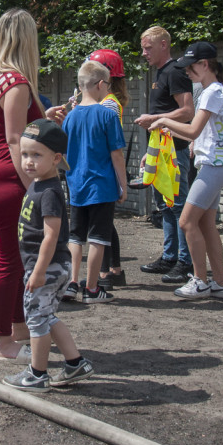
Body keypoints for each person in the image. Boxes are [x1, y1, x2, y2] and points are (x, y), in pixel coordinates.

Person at [2, 119, 95, 392]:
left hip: (48, 268)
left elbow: (51, 235)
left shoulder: (50, 191)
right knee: (49, 317)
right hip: (50, 267)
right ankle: (76, 363)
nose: (28, 162)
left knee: (37, 321)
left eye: (36, 155)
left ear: (56, 159)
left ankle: (37, 374)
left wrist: (39, 271)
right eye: (25, 154)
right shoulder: (39, 183)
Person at [0, 8, 45, 360]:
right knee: (11, 262)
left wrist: (46, 117)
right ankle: (0, 342)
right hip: (9, 178)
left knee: (17, 259)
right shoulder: (17, 82)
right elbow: (16, 138)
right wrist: (34, 186)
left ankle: (16, 329)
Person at [147, 42, 223, 300]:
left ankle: (200, 280)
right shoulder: (214, 90)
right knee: (207, 225)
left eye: (191, 67)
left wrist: (162, 120)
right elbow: (196, 131)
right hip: (215, 166)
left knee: (186, 221)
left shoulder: (211, 92)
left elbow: (193, 130)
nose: (187, 72)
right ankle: (219, 283)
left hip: (213, 168)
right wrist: (167, 129)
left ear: (204, 65)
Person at [61, 60, 127, 304]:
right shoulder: (107, 114)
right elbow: (116, 154)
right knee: (99, 237)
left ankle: (71, 283)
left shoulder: (69, 117)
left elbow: (65, 153)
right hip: (102, 185)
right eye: (108, 84)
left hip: (76, 184)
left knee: (75, 236)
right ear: (100, 84)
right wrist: (123, 185)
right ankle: (91, 288)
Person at [134, 26, 195, 284]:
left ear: (163, 45)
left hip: (175, 150)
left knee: (178, 205)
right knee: (166, 206)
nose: (144, 52)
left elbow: (187, 111)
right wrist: (150, 152)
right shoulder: (160, 73)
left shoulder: (176, 71)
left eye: (148, 47)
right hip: (161, 150)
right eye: (143, 47)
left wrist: (154, 118)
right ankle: (170, 257)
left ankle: (185, 261)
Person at [88, 48, 129, 289]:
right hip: (100, 169)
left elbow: (109, 144)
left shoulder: (108, 105)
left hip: (102, 170)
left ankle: (106, 273)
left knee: (100, 223)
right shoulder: (103, 102)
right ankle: (114, 269)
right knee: (104, 223)